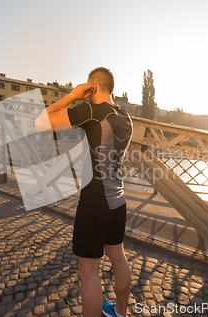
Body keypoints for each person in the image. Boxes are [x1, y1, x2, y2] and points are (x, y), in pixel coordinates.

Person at [35, 67, 133, 317]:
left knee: (88, 271)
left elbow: (41, 123)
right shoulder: (125, 117)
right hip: (118, 200)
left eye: (88, 89)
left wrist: (71, 96)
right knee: (118, 256)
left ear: (92, 87)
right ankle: (120, 313)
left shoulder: (91, 110)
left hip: (94, 202)